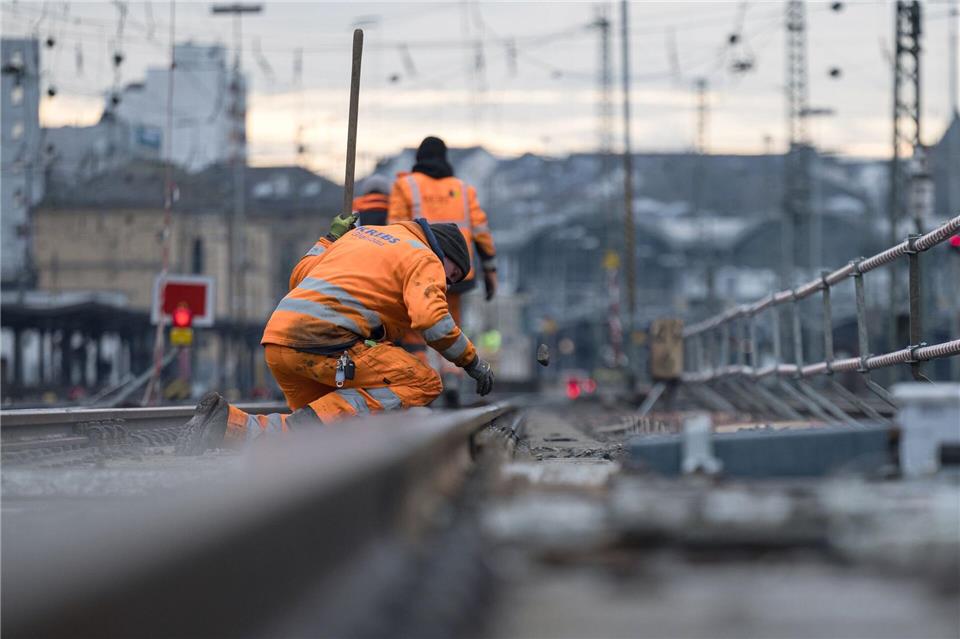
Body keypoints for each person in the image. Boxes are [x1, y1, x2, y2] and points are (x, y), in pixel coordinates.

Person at [177, 219, 494, 454]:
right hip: (324, 343)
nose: (448, 285)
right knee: (424, 381)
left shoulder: (361, 236)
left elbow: (299, 276)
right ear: (445, 254)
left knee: (314, 441)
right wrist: (473, 362)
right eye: (451, 276)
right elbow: (433, 321)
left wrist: (329, 238)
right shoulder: (425, 258)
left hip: (279, 341)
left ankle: (223, 422)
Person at [388, 137, 497, 402]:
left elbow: (395, 227)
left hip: (417, 268)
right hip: (457, 271)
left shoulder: (406, 185)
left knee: (415, 324)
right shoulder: (462, 188)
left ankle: (421, 380)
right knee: (451, 322)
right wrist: (490, 270)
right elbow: (481, 230)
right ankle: (451, 377)